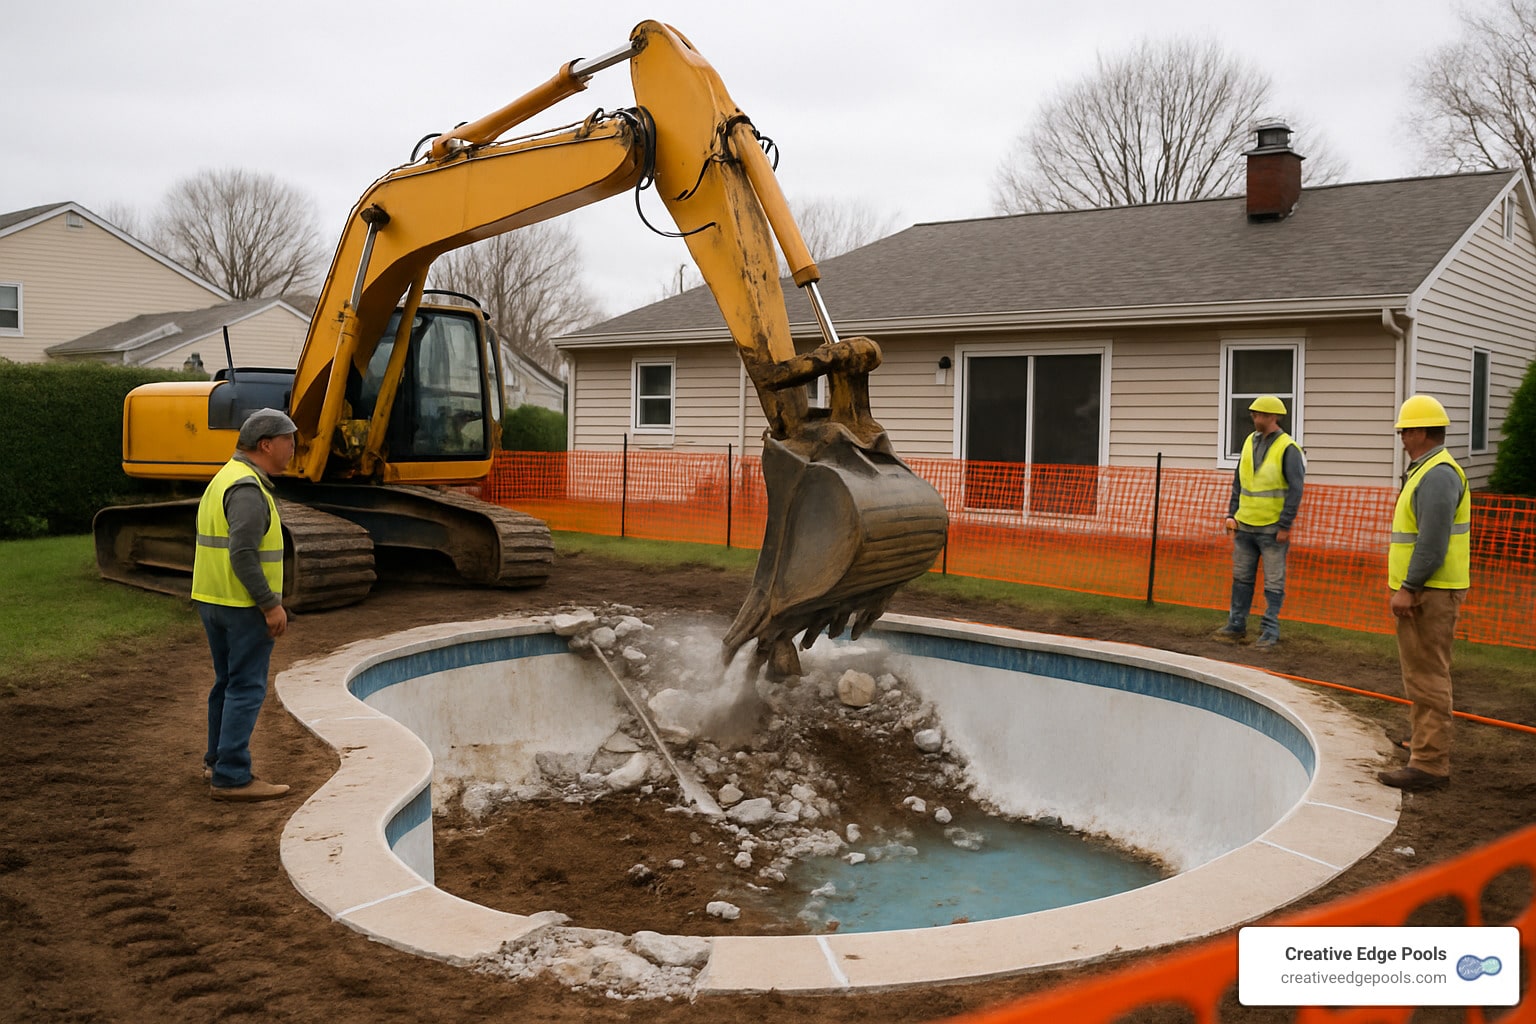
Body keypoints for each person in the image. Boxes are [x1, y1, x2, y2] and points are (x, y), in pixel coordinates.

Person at [191, 408, 297, 802]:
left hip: (213, 599)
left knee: (226, 683)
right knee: (246, 686)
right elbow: (242, 553)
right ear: (266, 445)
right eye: (288, 440)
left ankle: (215, 762)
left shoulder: (225, 477)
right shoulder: (248, 489)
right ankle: (232, 776)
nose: (293, 448)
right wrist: (270, 605)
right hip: (243, 607)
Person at [1378, 395, 1470, 793]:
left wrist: (1409, 587)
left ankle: (1429, 765)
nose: (1401, 438)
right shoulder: (1428, 471)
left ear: (1420, 432)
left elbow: (1431, 542)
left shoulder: (1437, 475)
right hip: (1427, 591)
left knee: (1428, 675)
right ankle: (1423, 743)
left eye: (1404, 431)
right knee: (1419, 673)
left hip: (1428, 593)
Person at [1213, 395, 1306, 650]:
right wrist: (1231, 513)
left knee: (1273, 582)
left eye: (1260, 414)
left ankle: (1269, 631)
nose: (1255, 418)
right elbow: (1239, 481)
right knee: (1241, 578)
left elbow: (1296, 489)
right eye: (1254, 414)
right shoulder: (1248, 442)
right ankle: (1236, 624)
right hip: (1245, 525)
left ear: (1273, 417)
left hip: (1272, 529)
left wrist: (1285, 525)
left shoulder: (1288, 448)